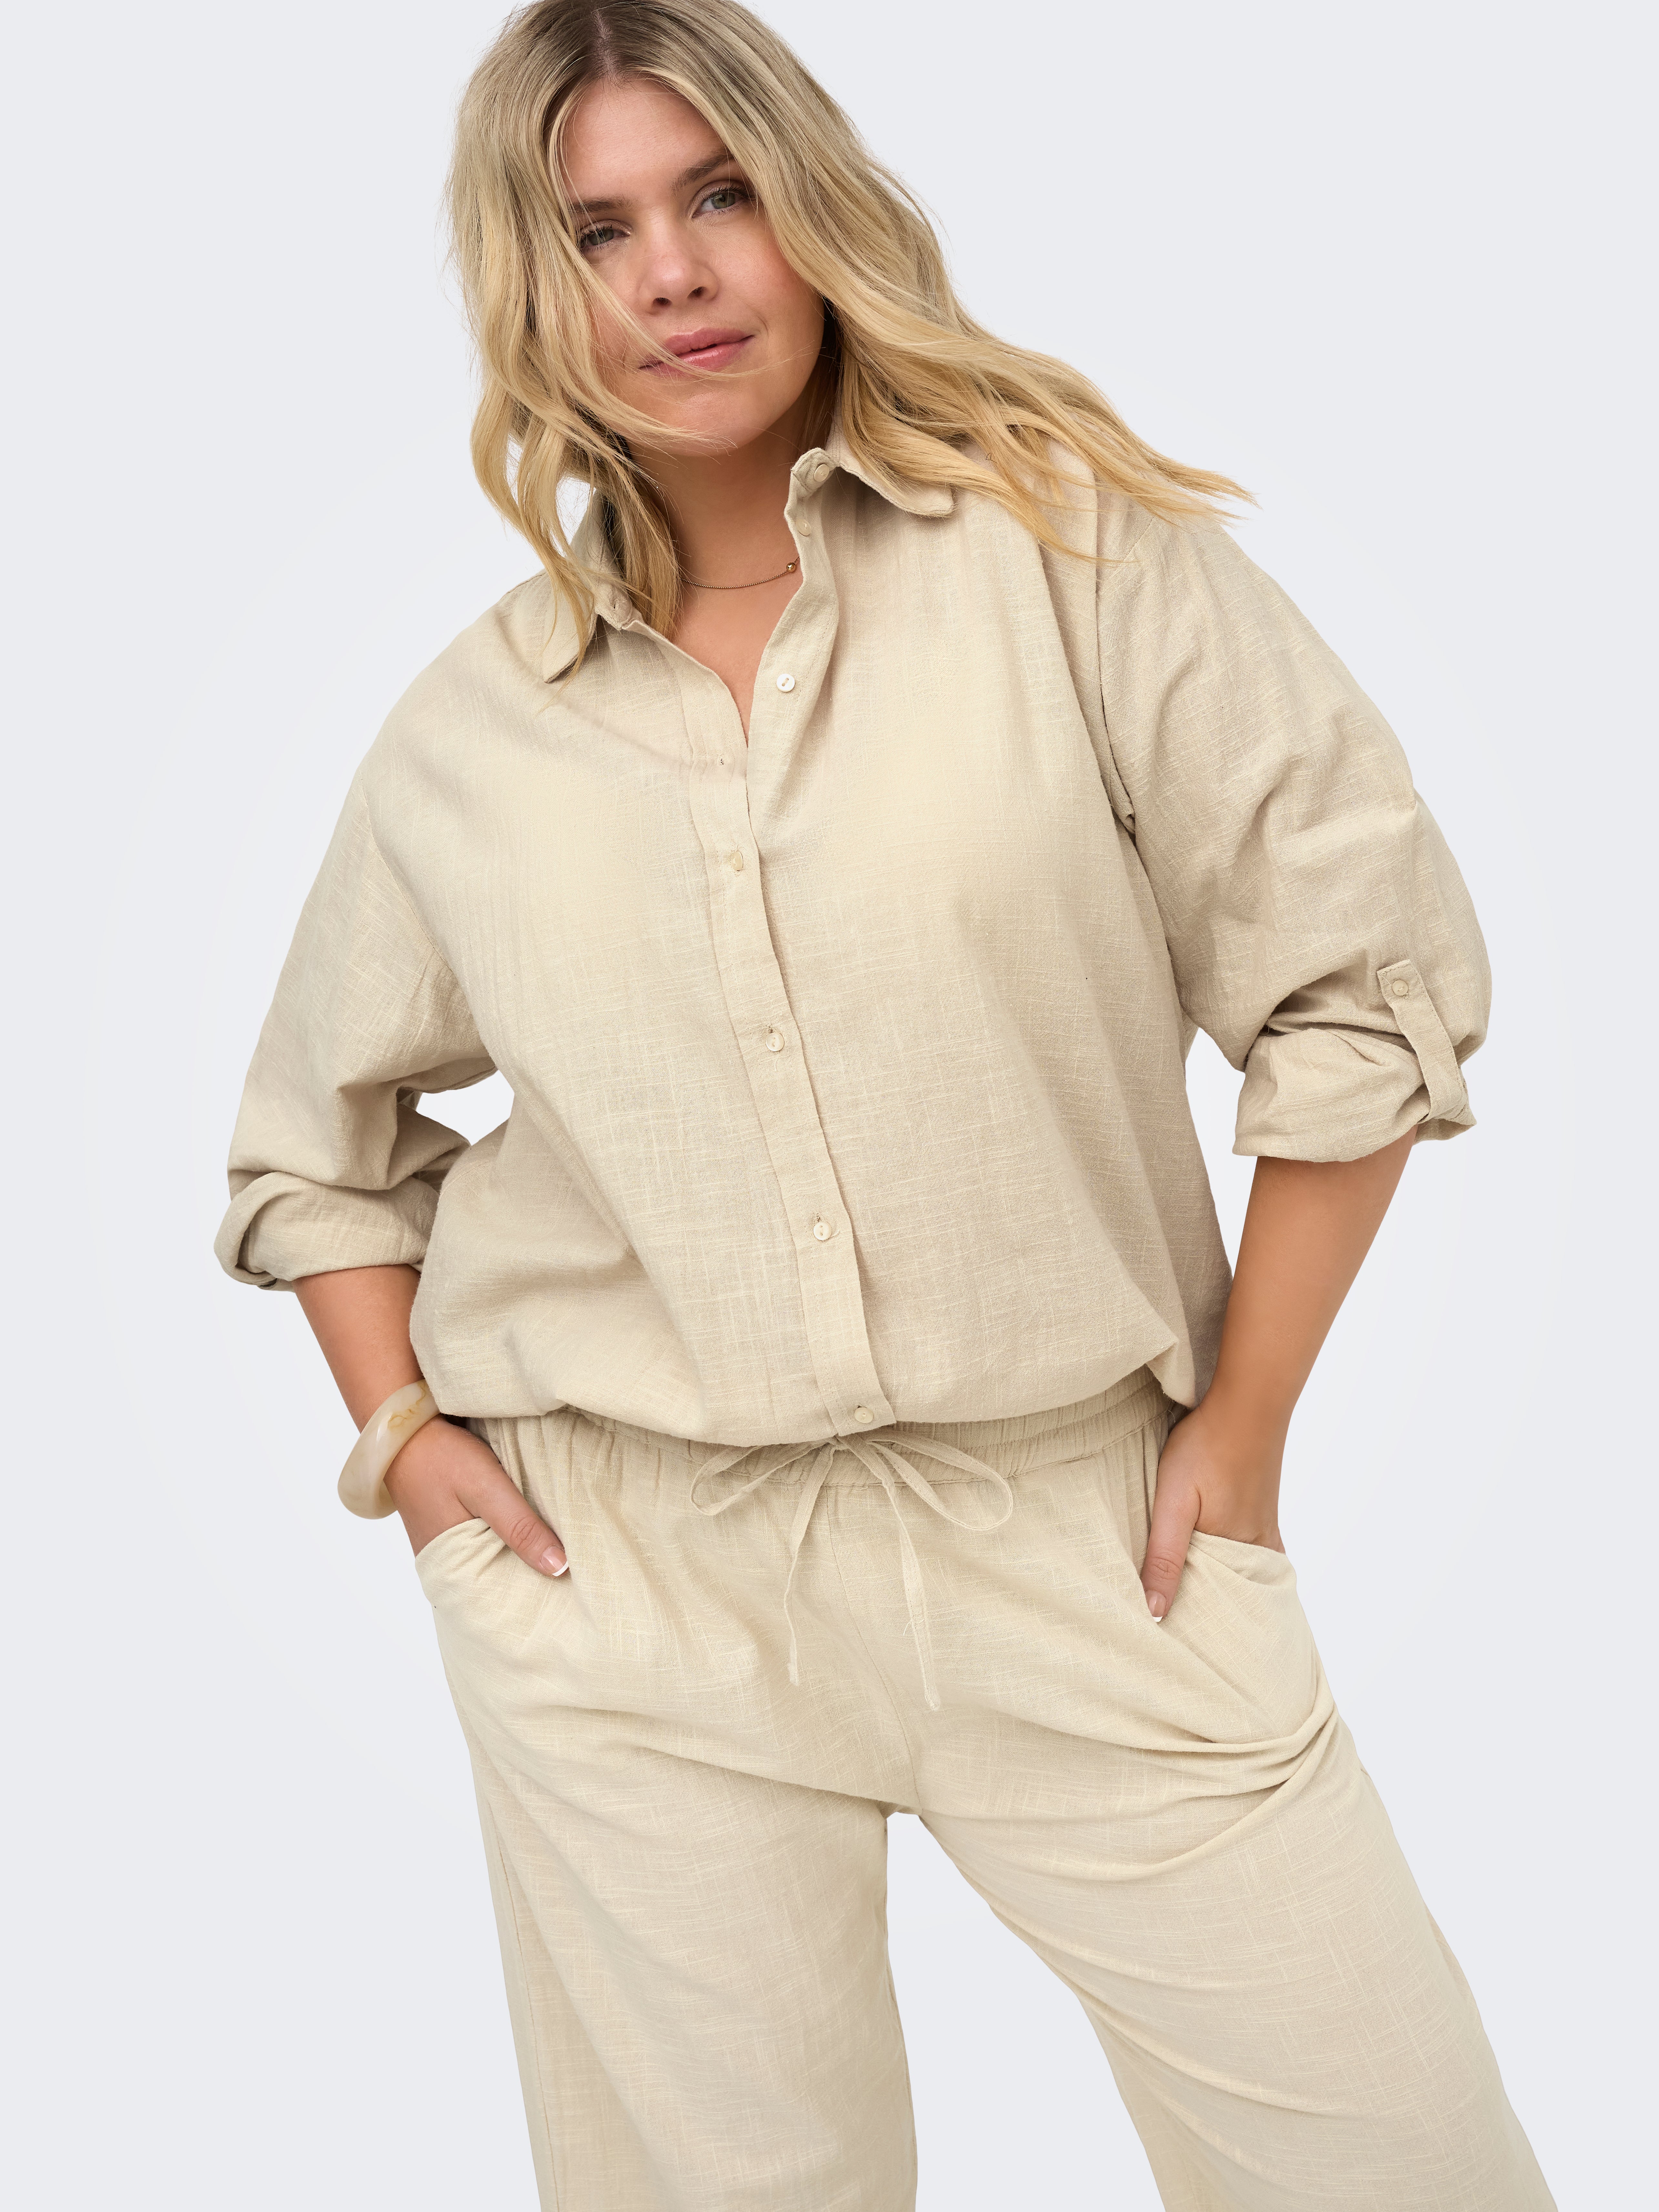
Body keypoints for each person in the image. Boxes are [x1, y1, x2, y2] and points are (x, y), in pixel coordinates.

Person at [216, 2, 1553, 2204]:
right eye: (596, 230)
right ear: (532, 290)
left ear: (815, 211)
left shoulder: (1080, 565)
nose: (671, 272)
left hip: (1088, 1541)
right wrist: (420, 1461)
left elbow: (1356, 984)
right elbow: (314, 1151)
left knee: (1398, 2162)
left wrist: (1241, 1431)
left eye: (719, 195)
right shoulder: (475, 727)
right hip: (633, 1585)